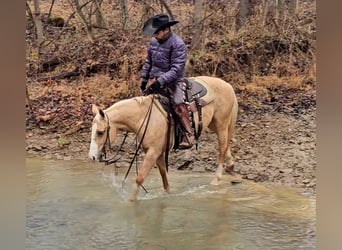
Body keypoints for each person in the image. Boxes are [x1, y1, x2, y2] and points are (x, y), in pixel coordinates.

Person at [140, 14, 194, 149]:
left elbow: (176, 69)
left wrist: (161, 81)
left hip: (174, 80)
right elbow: (149, 62)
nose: (155, 35)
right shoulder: (153, 42)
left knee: (178, 104)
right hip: (155, 79)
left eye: (157, 32)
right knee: (143, 103)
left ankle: (188, 135)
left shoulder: (178, 44)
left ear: (167, 30)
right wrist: (144, 79)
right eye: (154, 33)